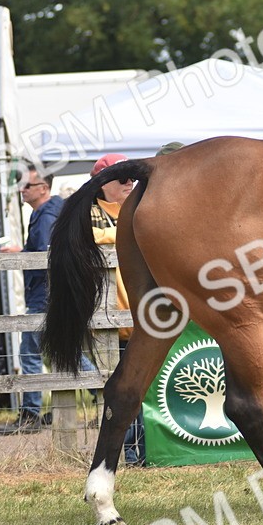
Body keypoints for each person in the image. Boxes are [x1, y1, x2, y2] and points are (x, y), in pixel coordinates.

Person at [0, 166, 64, 434]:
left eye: (27, 185)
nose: (22, 189)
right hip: (48, 293)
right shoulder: (45, 213)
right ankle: (104, 395)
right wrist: (22, 251)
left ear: (43, 189)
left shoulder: (47, 216)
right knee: (62, 352)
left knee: (30, 352)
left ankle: (31, 414)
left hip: (43, 295)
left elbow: (46, 257)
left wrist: (22, 255)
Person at [89, 152, 143, 464]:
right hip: (108, 319)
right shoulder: (90, 211)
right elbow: (87, 236)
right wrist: (124, 232)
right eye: (123, 177)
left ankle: (145, 454)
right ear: (104, 182)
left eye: (132, 177)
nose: (130, 182)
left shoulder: (142, 207)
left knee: (145, 390)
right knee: (119, 390)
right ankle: (127, 454)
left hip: (144, 316)